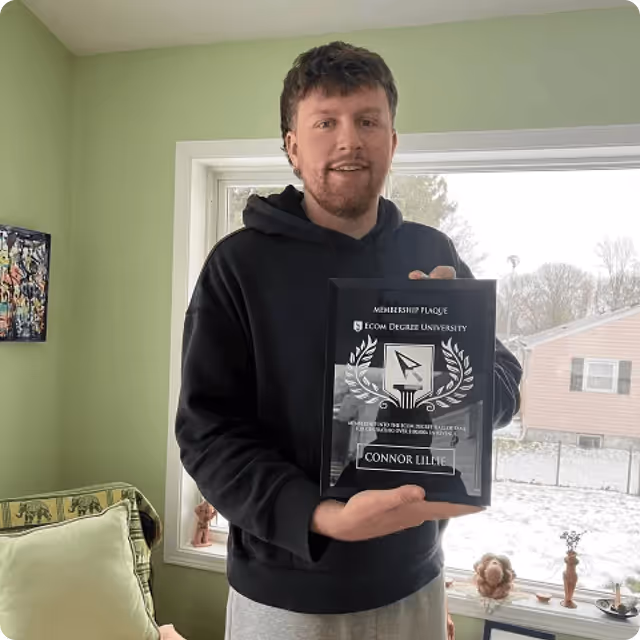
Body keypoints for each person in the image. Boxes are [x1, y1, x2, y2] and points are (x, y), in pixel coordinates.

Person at [175, 41, 522, 640]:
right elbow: (206, 435)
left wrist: (452, 351)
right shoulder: (238, 266)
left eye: (367, 121)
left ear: (393, 140)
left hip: (415, 584)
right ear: (292, 146)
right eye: (325, 123)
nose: (349, 141)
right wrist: (321, 515)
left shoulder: (433, 253)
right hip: (284, 599)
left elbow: (504, 385)